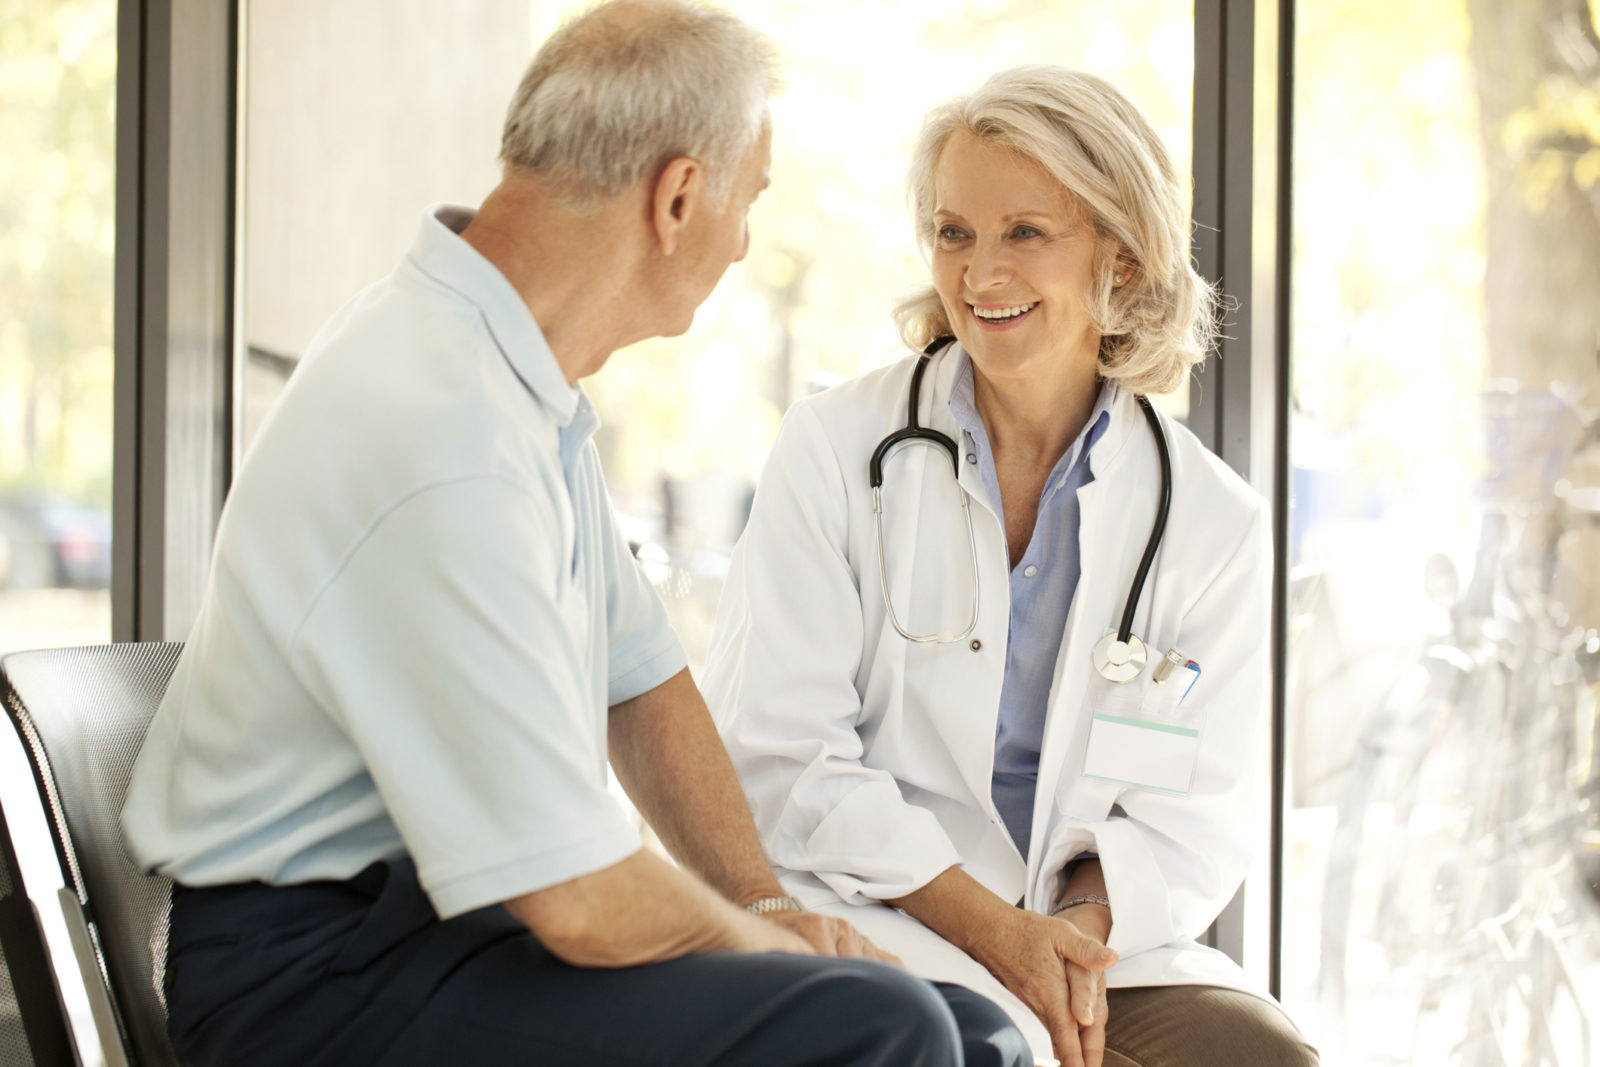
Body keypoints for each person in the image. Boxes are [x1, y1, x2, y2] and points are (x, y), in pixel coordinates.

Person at [118, 3, 1033, 1065]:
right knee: (886, 1025)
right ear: (679, 196)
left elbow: (639, 683)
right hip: (315, 989)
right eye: (751, 202)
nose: (743, 244)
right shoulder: (441, 429)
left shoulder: (502, 378)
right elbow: (580, 896)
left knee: (974, 1032)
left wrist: (763, 902)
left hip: (436, 938)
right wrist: (775, 952)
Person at [702, 66, 1321, 1067]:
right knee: (988, 1046)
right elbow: (785, 752)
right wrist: (998, 935)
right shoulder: (834, 448)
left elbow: (1192, 812)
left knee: (1256, 1053)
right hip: (872, 906)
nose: (979, 272)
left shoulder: (1209, 521)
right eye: (954, 232)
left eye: (1024, 233)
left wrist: (1064, 941)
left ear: (1120, 257)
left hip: (1092, 940)